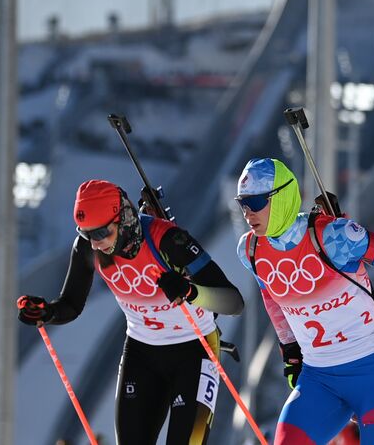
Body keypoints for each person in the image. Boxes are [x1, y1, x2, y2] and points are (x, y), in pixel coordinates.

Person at [17, 179, 245, 444]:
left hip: (194, 351)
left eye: (102, 233)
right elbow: (70, 305)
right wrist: (46, 312)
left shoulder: (168, 240)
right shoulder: (87, 249)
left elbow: (234, 302)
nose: (95, 243)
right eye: (86, 234)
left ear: (123, 218)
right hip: (142, 352)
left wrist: (191, 291)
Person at [233, 157, 374, 444]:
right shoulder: (251, 250)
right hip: (319, 380)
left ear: (281, 198)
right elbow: (271, 295)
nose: (246, 212)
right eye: (242, 203)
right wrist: (290, 348)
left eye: (255, 203)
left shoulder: (335, 237)